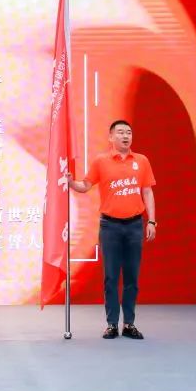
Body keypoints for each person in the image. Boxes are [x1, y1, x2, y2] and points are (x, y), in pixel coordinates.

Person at [69, 120, 157, 340]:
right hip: (110, 226)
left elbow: (147, 192)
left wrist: (152, 221)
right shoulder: (101, 161)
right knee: (110, 276)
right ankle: (111, 324)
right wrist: (70, 182)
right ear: (111, 137)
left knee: (132, 276)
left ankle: (129, 324)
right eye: (120, 133)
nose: (125, 136)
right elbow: (85, 186)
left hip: (135, 225)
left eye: (128, 132)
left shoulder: (142, 161)